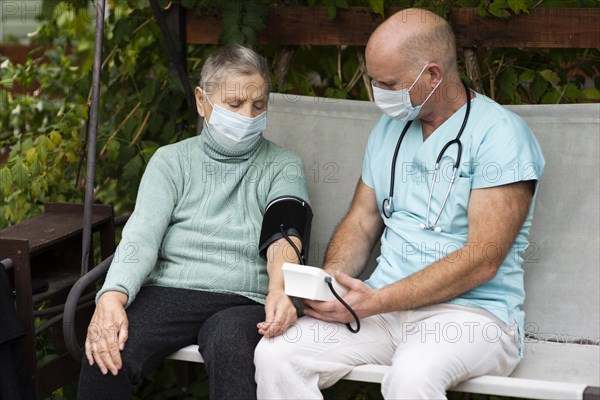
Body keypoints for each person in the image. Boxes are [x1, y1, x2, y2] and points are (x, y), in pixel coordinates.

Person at [254, 8, 545, 399]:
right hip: (383, 309)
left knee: (412, 374)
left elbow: (483, 257)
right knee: (278, 354)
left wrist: (374, 301)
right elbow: (362, 219)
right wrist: (335, 286)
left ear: (432, 74)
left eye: (389, 83)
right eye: (375, 81)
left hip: (472, 316)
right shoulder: (389, 129)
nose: (379, 93)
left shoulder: (501, 136)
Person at [78, 43, 312, 400]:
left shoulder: (284, 164)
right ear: (203, 101)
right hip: (172, 291)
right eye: (234, 105)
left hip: (244, 297)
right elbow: (142, 234)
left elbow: (285, 234)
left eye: (259, 105)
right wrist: (112, 295)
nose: (248, 116)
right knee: (106, 348)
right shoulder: (171, 161)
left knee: (230, 344)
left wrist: (279, 289)